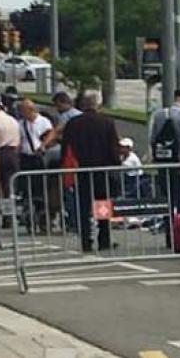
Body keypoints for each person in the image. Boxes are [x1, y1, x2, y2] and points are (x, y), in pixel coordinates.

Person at [58, 92, 121, 252]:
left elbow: (66, 147)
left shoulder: (74, 123)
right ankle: (104, 238)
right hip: (102, 169)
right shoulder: (107, 122)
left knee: (84, 207)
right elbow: (113, 147)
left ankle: (86, 240)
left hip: (83, 169)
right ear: (97, 105)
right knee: (102, 205)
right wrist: (116, 165)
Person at [146, 87, 180, 214]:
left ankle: (168, 228)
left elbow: (152, 137)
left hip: (162, 161)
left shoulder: (158, 114)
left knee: (166, 197)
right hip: (179, 162)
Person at [14, 97, 53, 233]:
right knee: (27, 190)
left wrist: (43, 146)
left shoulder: (43, 122)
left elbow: (50, 135)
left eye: (23, 110)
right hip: (26, 158)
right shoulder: (20, 124)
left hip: (39, 159)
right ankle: (29, 217)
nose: (21, 113)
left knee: (41, 191)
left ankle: (43, 219)